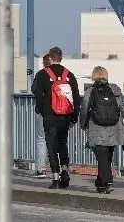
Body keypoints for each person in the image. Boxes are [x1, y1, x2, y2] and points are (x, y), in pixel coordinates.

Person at [79, 65, 124, 194]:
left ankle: (108, 182)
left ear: (94, 76)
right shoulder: (115, 89)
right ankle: (100, 184)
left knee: (102, 158)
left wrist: (82, 124)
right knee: (106, 159)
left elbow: (83, 109)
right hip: (114, 129)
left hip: (96, 129)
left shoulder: (91, 91)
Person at [31, 47, 80, 189]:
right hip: (66, 116)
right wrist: (74, 116)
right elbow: (76, 98)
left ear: (50, 58)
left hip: (50, 115)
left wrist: (40, 110)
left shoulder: (42, 74)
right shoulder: (69, 74)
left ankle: (56, 178)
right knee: (62, 143)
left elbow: (38, 95)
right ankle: (65, 169)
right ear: (61, 58)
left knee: (51, 146)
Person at [32, 54, 52, 177]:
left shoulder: (40, 74)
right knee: (58, 140)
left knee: (41, 139)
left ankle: (41, 169)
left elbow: (34, 89)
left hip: (43, 110)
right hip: (59, 112)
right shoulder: (63, 74)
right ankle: (59, 170)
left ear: (44, 63)